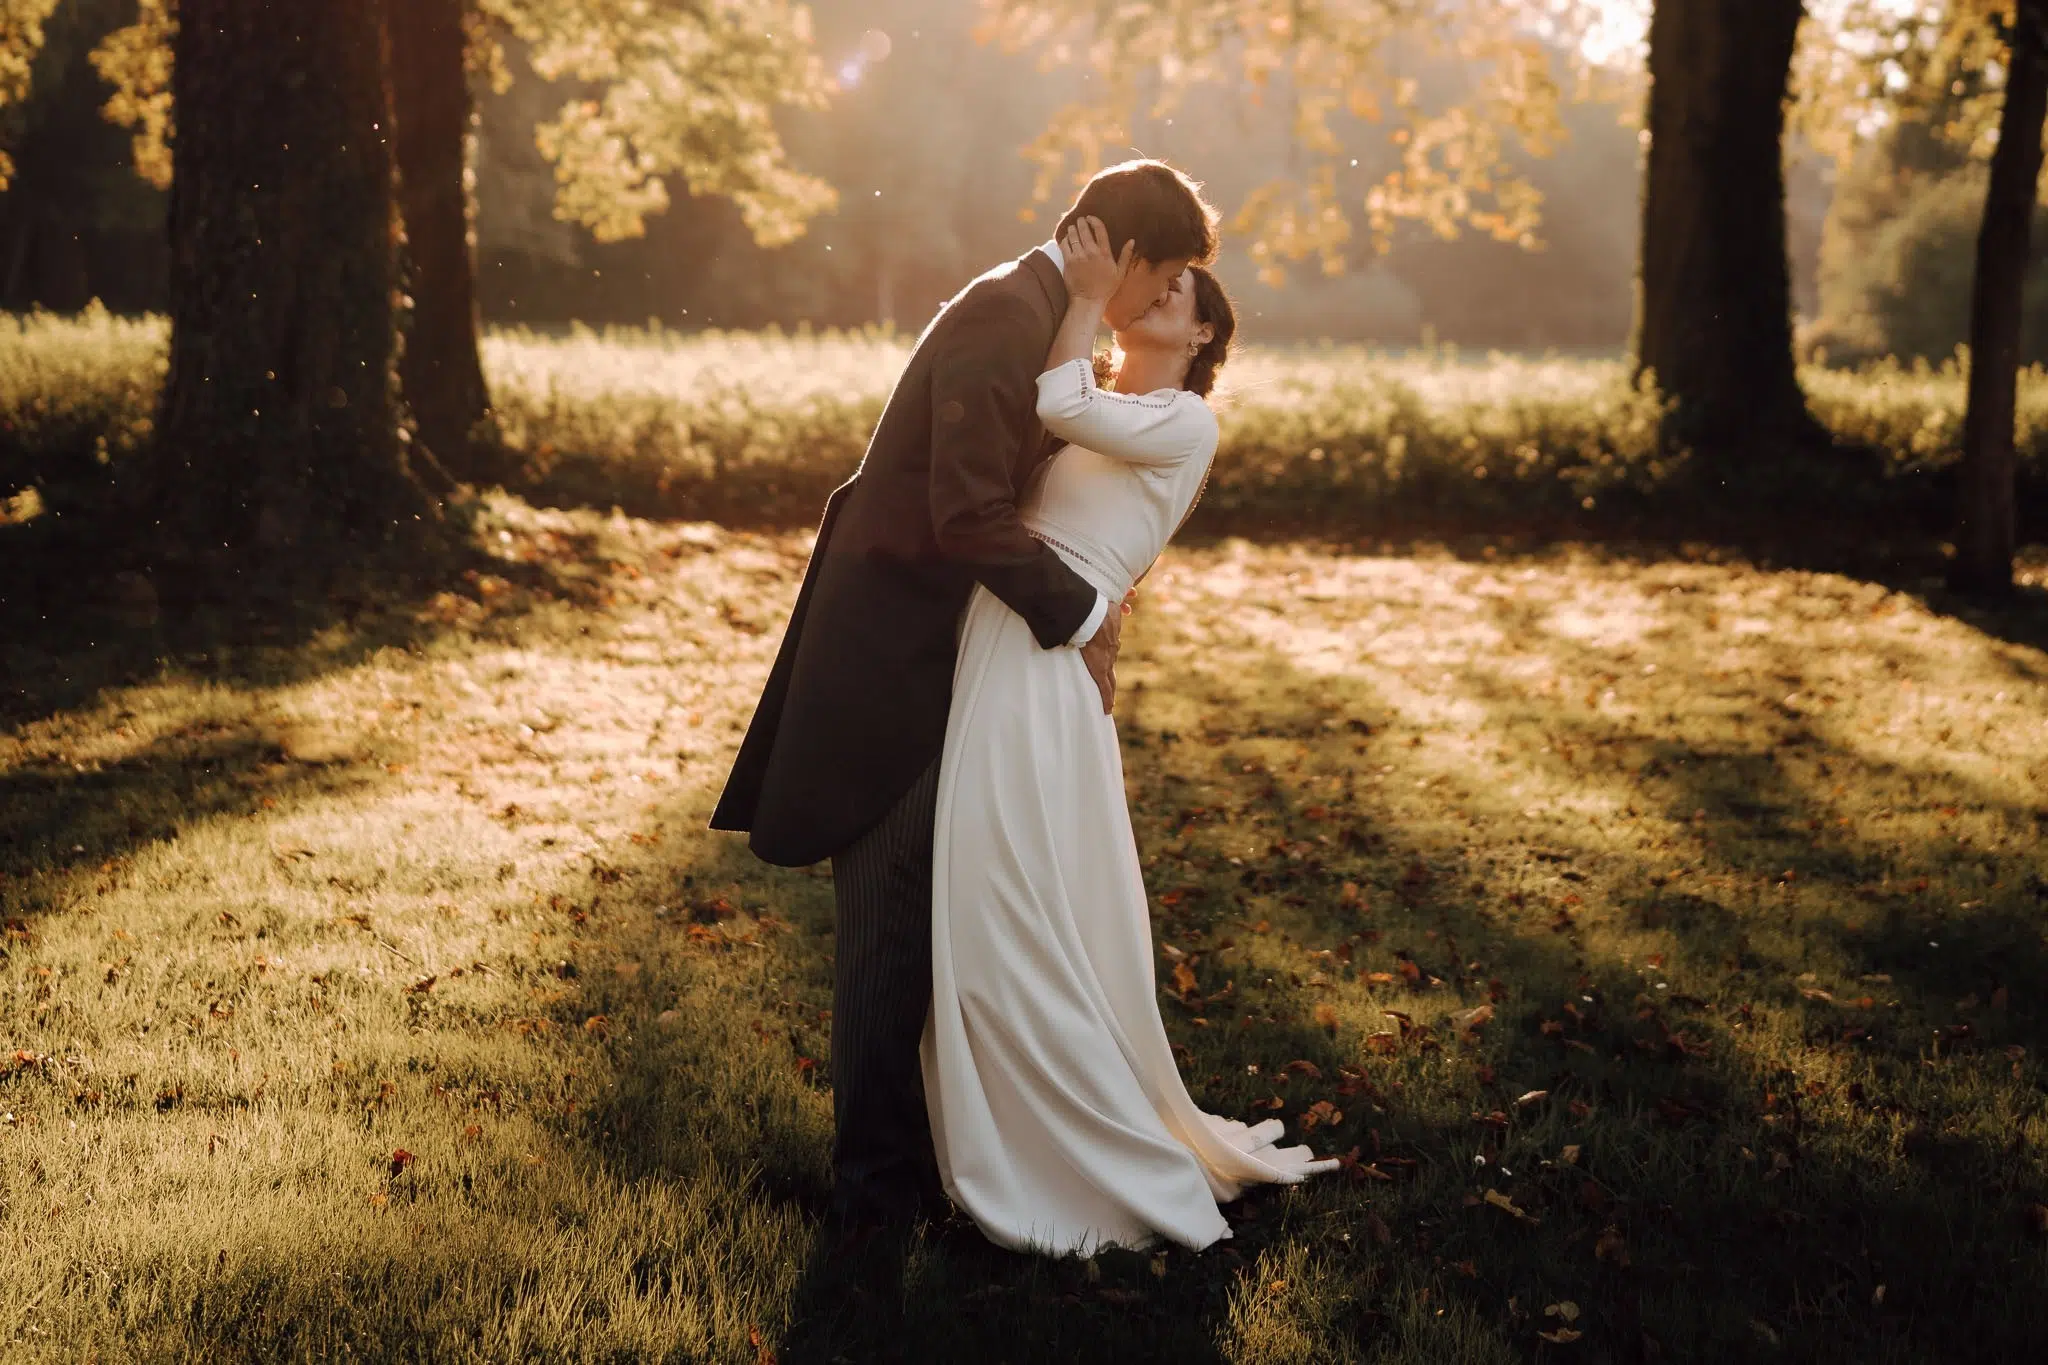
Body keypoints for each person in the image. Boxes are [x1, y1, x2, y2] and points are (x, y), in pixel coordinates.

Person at [712, 160, 1216, 1230]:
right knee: (889, 922)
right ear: (1124, 254)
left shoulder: (1037, 307)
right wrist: (1082, 615)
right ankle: (874, 1190)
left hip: (945, 655)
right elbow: (967, 517)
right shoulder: (1008, 311)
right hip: (891, 650)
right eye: (1163, 272)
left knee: (930, 916)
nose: (1156, 298)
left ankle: (923, 1163)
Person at [922, 219, 1337, 1256]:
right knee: (985, 883)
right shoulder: (1114, 406)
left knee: (1006, 884)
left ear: (1201, 336)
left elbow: (1055, 401)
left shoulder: (1182, 424)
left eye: (1182, 292)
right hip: (1013, 636)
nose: (1163, 292)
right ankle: (1010, 1127)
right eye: (1159, 279)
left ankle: (1077, 1149)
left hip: (1044, 661)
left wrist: (1077, 292)